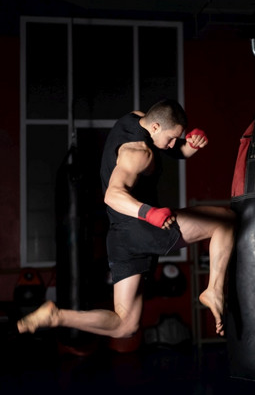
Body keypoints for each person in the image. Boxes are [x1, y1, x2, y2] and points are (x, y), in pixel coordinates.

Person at [17, 99, 235, 339]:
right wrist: (149, 213)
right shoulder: (138, 153)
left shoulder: (134, 118)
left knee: (125, 326)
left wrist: (190, 145)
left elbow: (173, 147)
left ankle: (56, 316)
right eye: (172, 138)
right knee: (225, 220)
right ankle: (214, 290)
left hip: (121, 236)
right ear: (154, 128)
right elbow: (112, 195)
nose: (174, 143)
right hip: (143, 227)